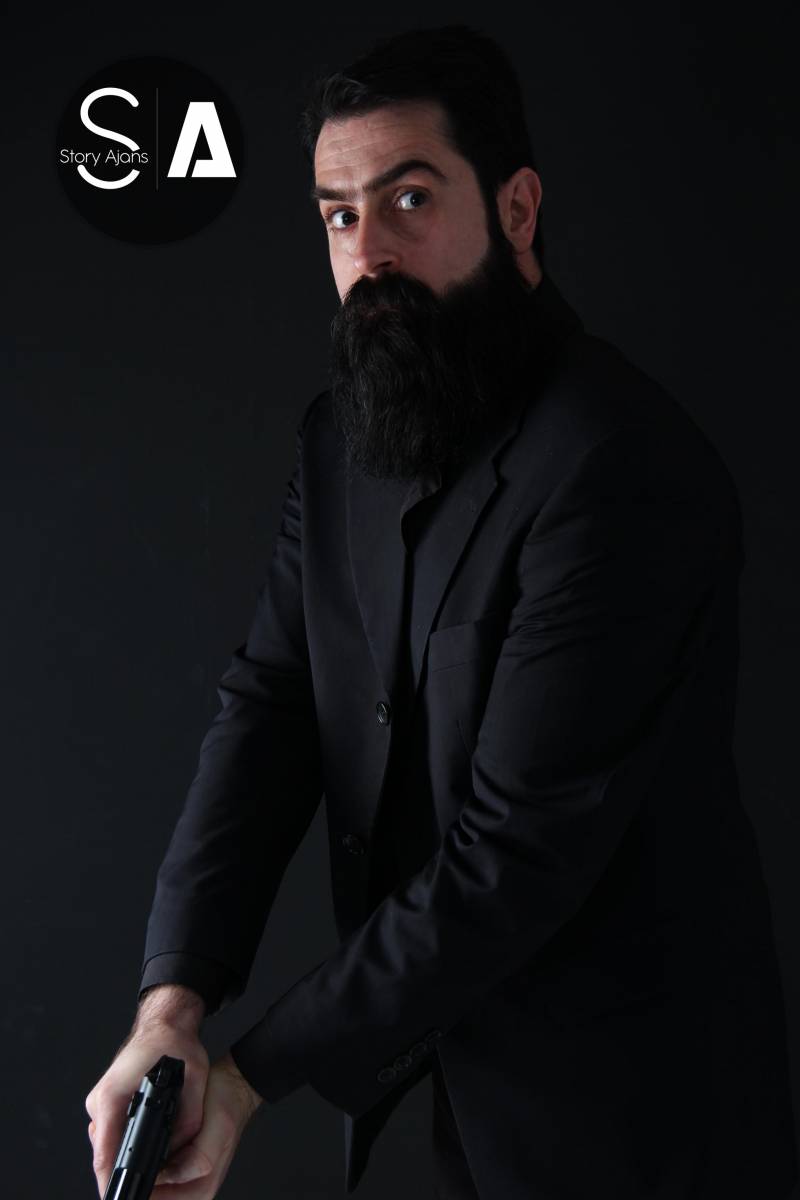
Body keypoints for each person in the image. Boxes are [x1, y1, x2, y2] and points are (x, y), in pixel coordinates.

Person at [85, 24, 799, 1200]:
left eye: (407, 200)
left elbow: (511, 859)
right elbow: (268, 711)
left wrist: (248, 1077)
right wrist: (172, 1008)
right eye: (337, 215)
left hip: (637, 1125)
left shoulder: (618, 468)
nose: (367, 252)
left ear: (516, 209)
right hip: (444, 1096)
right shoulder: (338, 445)